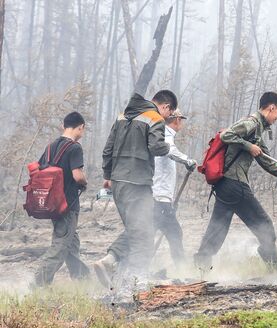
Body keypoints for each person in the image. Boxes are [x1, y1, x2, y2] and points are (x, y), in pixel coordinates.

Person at [194, 92, 277, 271]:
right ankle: (276, 267)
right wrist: (248, 146)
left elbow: (268, 163)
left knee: (218, 228)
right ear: (271, 107)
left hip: (225, 185)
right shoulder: (251, 123)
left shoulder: (257, 131)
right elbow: (226, 135)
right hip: (234, 184)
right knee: (264, 225)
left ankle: (201, 265)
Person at [94, 91, 177, 288]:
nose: (168, 118)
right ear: (165, 106)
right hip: (137, 184)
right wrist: (168, 147)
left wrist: (108, 176)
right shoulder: (155, 118)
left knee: (134, 229)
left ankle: (110, 262)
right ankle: (136, 283)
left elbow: (107, 149)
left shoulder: (123, 116)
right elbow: (157, 147)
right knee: (145, 234)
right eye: (170, 113)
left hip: (118, 183)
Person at [34, 112, 89, 286]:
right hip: (68, 203)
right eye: (83, 129)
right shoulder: (75, 148)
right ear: (80, 127)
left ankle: (81, 278)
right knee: (61, 245)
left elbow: (40, 169)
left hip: (52, 204)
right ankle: (38, 283)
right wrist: (85, 183)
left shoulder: (50, 147)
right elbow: (78, 176)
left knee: (71, 241)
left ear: (63, 126)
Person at [152, 108, 196, 270]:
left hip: (158, 197)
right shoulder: (165, 134)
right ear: (177, 120)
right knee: (175, 233)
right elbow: (169, 150)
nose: (181, 123)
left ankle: (127, 267)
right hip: (160, 197)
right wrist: (187, 160)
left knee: (147, 234)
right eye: (181, 120)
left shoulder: (158, 134)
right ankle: (182, 270)